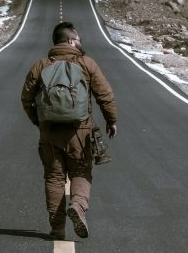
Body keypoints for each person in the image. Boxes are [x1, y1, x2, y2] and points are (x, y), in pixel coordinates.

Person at [21, 21, 118, 240]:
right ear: (71, 41)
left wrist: (40, 122)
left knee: (54, 178)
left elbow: (26, 99)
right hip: (80, 132)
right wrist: (111, 120)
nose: (81, 42)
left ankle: (57, 229)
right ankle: (78, 206)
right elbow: (105, 95)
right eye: (79, 39)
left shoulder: (40, 66)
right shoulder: (87, 64)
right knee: (81, 172)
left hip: (50, 132)